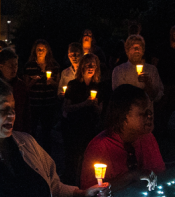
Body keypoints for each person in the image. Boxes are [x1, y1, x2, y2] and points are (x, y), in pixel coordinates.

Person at [62, 53, 103, 185]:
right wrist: (84, 104)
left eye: (93, 64)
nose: (91, 67)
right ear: (82, 67)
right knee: (73, 158)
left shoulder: (99, 86)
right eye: (88, 64)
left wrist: (95, 106)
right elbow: (66, 108)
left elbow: (100, 111)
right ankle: (70, 186)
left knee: (89, 158)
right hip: (74, 127)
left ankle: (86, 184)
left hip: (90, 128)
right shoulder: (73, 85)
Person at [24, 39, 60, 154]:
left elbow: (59, 87)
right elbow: (25, 87)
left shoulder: (54, 66)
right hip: (34, 103)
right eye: (38, 49)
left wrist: (51, 82)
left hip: (48, 104)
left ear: (47, 51)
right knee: (32, 130)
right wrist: (32, 82)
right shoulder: (29, 66)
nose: (40, 51)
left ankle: (46, 155)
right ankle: (32, 153)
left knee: (47, 132)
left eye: (43, 49)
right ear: (34, 50)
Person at [112, 35, 163, 103]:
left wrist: (148, 83)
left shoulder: (152, 70)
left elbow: (158, 95)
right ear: (127, 50)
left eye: (139, 47)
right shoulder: (119, 71)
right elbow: (118, 94)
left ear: (143, 50)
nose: (136, 50)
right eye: (133, 47)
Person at [0, 47, 30, 133]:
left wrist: (27, 131)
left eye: (16, 65)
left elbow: (26, 112)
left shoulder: (21, 86)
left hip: (17, 129)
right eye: (11, 66)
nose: (14, 69)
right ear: (1, 66)